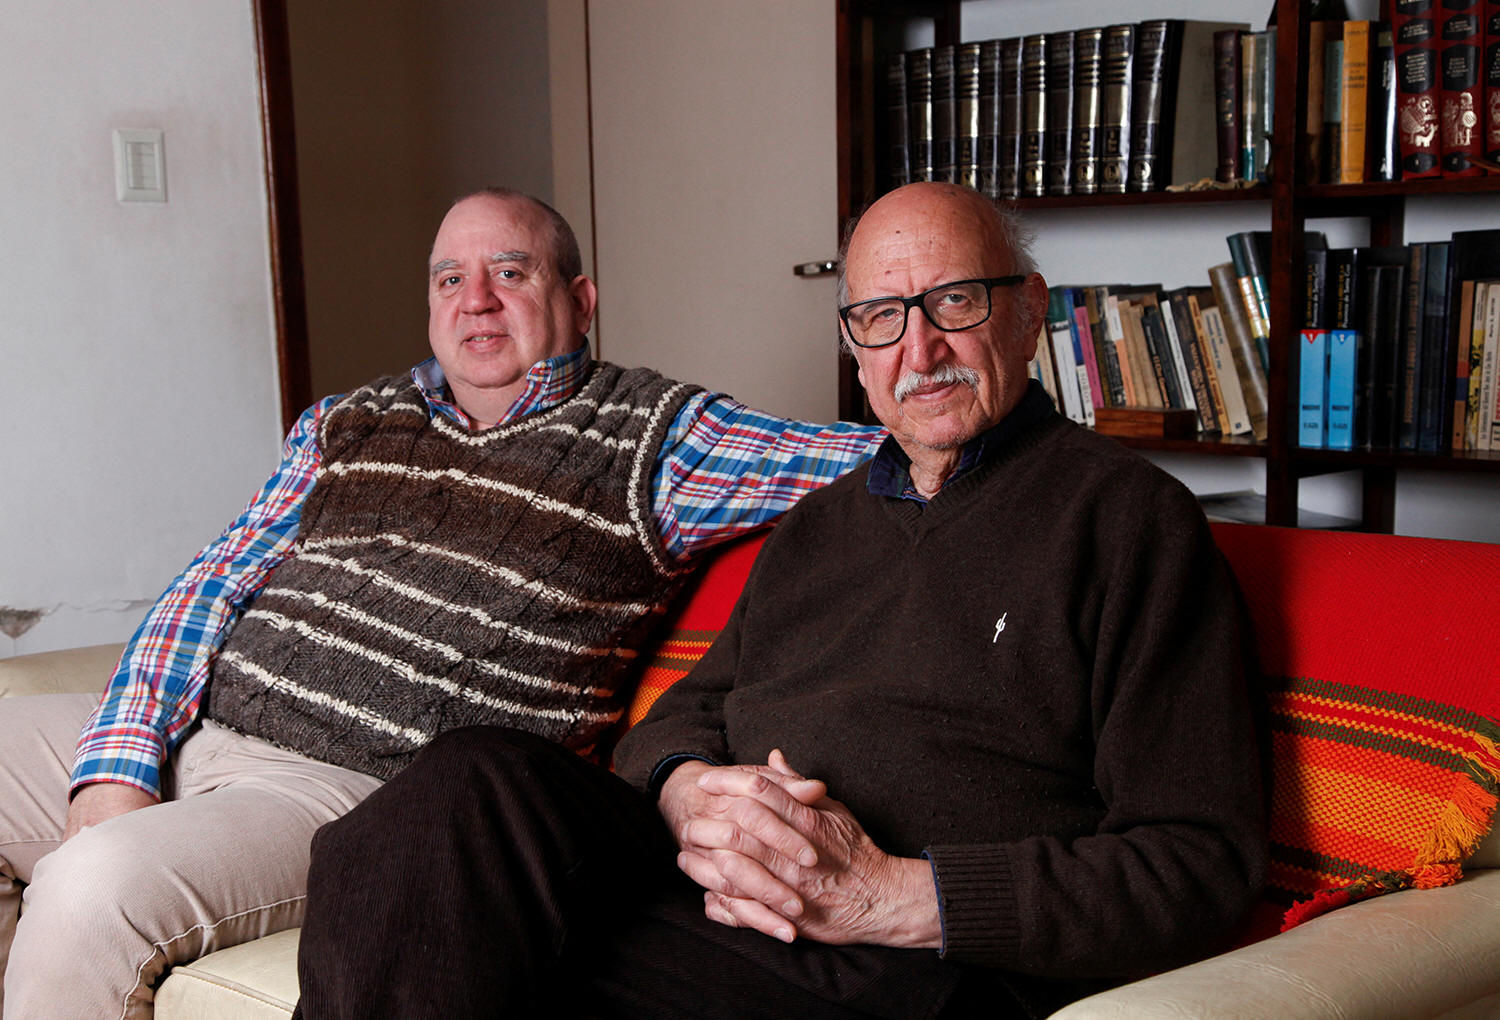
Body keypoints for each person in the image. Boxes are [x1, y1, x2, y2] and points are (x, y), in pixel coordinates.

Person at [291, 182, 1268, 1019]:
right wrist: (685, 791)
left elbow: (1198, 861)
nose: (918, 350)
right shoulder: (818, 527)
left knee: (469, 953)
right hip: (718, 903)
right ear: (853, 344)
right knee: (459, 789)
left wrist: (887, 895)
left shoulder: (1129, 522)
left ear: (1028, 312)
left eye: (954, 302)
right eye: (881, 317)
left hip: (904, 962)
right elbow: (678, 720)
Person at [0, 187, 887, 1019]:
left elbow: (905, 448)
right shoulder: (346, 422)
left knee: (93, 888)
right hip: (204, 724)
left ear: (580, 301)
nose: (476, 300)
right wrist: (120, 765)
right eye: (449, 279)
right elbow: (211, 585)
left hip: (353, 789)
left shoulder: (663, 439)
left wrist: (941, 352)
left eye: (510, 272)